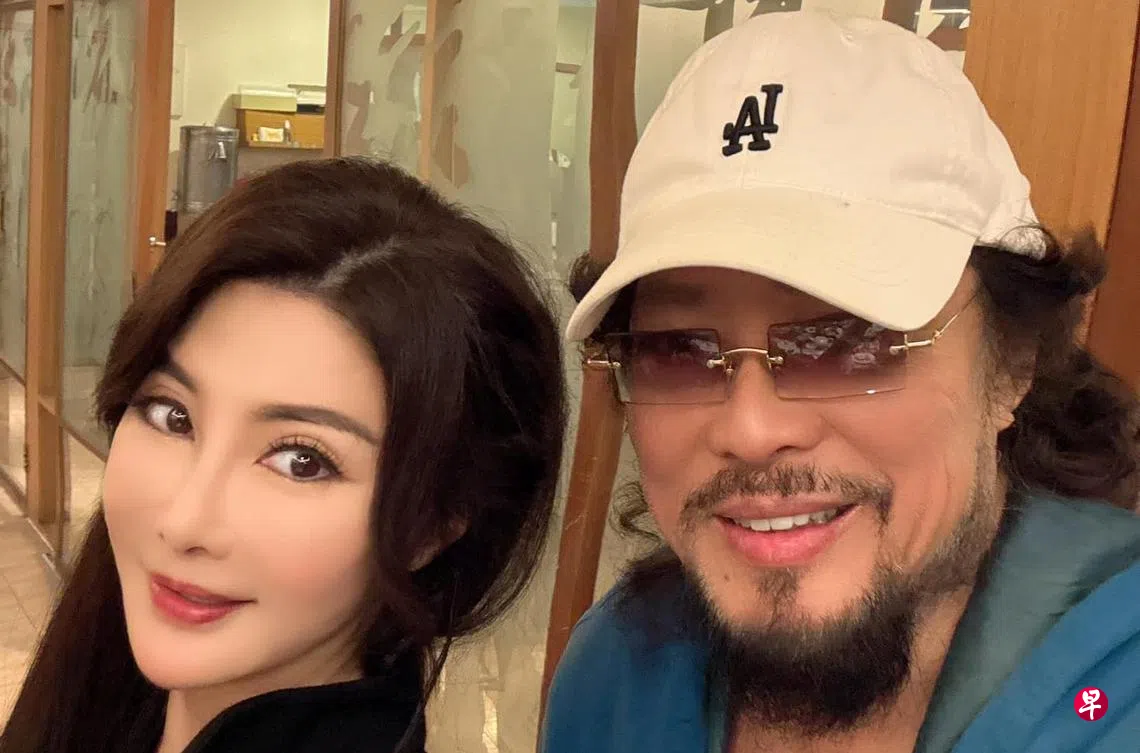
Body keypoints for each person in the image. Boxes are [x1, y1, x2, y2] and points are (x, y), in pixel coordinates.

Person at [543, 11, 1140, 753]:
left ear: (1012, 364)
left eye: (845, 341)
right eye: (678, 349)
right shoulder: (618, 673)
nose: (751, 429)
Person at [1, 157, 567, 753]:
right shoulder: (103, 691)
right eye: (173, 416)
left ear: (432, 527)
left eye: (301, 461)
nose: (184, 521)